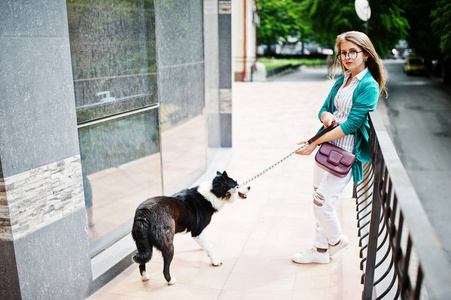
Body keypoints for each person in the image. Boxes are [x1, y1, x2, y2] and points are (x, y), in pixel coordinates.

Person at [292, 31, 388, 264]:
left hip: (343, 154)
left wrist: (314, 142)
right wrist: (326, 117)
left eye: (352, 52)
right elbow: (324, 108)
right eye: (343, 52)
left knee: (321, 203)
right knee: (317, 196)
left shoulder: (368, 85)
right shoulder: (342, 80)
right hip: (327, 149)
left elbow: (353, 124)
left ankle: (335, 241)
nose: (347, 56)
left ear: (365, 53)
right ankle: (320, 250)